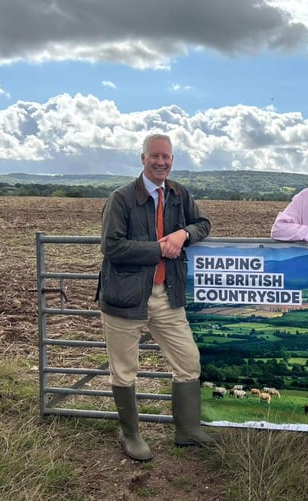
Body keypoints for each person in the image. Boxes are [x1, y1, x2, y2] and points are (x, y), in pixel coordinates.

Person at [97, 133, 215, 461]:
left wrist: (183, 233)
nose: (161, 162)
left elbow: (203, 223)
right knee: (124, 370)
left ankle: (187, 430)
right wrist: (158, 249)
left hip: (166, 296)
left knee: (188, 362)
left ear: (172, 160)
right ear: (143, 158)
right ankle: (131, 435)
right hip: (125, 300)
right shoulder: (120, 198)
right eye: (155, 156)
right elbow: (112, 247)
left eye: (166, 157)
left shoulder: (179, 195)